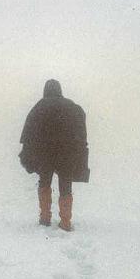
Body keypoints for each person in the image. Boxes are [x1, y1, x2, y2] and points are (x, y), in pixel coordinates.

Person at [19, 79, 89, 231]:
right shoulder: (73, 107)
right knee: (66, 186)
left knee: (44, 182)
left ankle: (45, 218)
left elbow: (28, 133)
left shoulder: (39, 106)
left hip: (45, 154)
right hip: (67, 154)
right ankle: (65, 223)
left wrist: (27, 155)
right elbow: (81, 134)